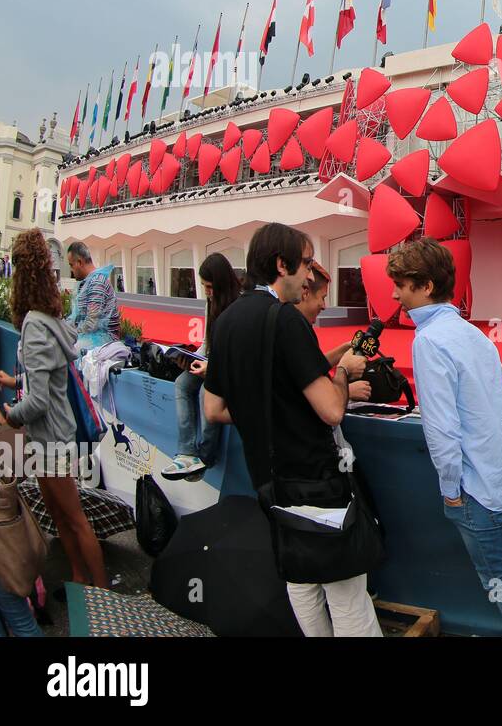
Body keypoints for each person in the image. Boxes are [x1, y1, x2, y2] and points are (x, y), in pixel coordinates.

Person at [201, 223, 379, 637]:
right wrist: (343, 372)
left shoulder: (225, 322)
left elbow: (213, 409)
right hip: (316, 481)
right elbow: (333, 410)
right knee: (347, 593)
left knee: (300, 581)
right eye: (303, 263)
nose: (307, 276)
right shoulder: (285, 320)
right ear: (281, 265)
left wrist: (264, 415)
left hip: (268, 482)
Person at [389, 237, 502, 637]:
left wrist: (452, 488)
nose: (395, 294)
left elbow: (441, 428)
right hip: (492, 480)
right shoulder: (472, 334)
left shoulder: (430, 341)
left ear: (426, 286)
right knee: (500, 575)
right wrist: (499, 466)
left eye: (401, 285)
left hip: (471, 487)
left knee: (497, 578)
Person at [0, 231, 108, 592]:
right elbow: (46, 381)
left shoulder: (33, 325)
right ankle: (79, 578)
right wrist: (16, 384)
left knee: (73, 519)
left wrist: (9, 417)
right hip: (56, 437)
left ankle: (102, 593)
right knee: (61, 516)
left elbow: (39, 400)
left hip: (51, 442)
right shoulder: (48, 318)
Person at [162, 252, 240, 480]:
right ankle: (186, 451)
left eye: (209, 286)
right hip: (211, 360)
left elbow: (236, 352)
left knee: (207, 392)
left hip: (226, 367)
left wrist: (211, 368)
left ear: (221, 283)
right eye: (204, 286)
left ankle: (205, 456)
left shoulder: (238, 305)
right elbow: (207, 342)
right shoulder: (211, 302)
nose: (206, 291)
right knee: (182, 384)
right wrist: (191, 358)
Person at [293, 261, 373, 402]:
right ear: (305, 292)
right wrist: (345, 387)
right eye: (322, 298)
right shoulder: (291, 329)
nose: (324, 306)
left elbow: (311, 366)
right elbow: (294, 391)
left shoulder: (296, 325)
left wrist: (345, 349)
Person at [65, 241, 121, 352]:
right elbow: (76, 318)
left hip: (104, 340)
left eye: (71, 265)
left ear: (80, 262)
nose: (71, 270)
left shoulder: (97, 282)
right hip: (89, 336)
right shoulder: (86, 283)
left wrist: (71, 333)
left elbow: (91, 323)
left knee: (66, 351)